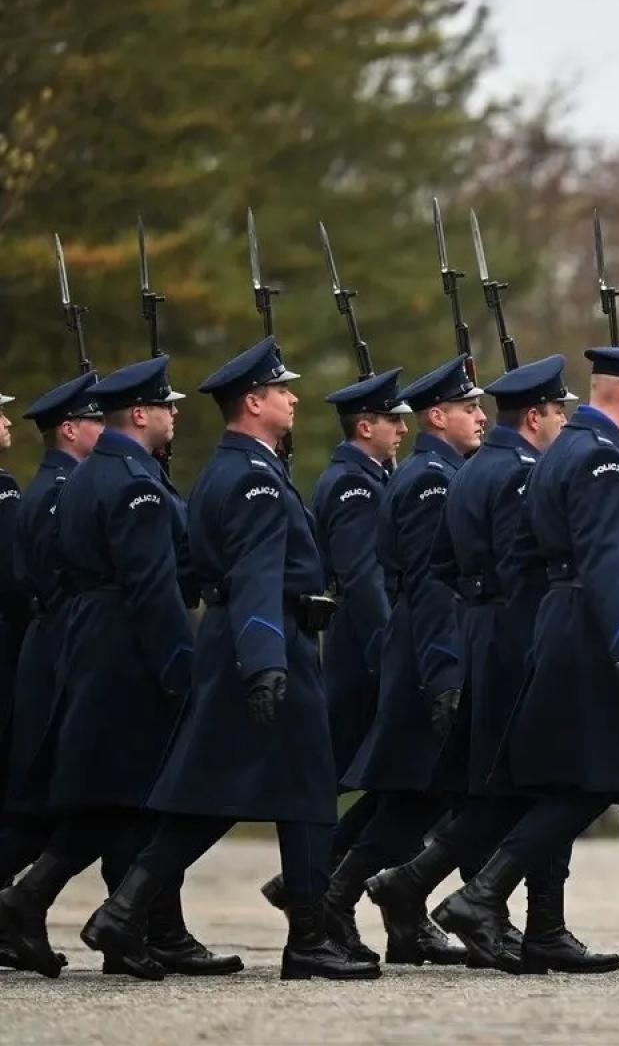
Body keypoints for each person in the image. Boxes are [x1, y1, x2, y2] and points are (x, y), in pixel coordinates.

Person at [433, 347, 619, 979]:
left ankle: (481, 895)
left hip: (565, 627)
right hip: (597, 636)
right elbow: (603, 564)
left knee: (581, 787)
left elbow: (536, 561)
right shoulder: (601, 458)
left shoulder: (561, 451)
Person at [80, 337, 375, 982]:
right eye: (281, 390)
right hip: (267, 642)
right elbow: (257, 574)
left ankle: (123, 913)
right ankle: (307, 940)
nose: (293, 398)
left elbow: (203, 569)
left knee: (218, 793)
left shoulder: (232, 468)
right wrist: (266, 661)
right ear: (253, 402)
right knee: (304, 794)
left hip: (242, 640)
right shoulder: (253, 478)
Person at [375, 355, 619, 976]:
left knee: (507, 785)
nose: (564, 422)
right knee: (554, 780)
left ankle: (422, 882)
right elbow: (523, 567)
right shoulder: (519, 472)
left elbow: (442, 564)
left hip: (482, 632)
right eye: (559, 412)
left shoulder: (471, 471)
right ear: (536, 416)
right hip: (520, 635)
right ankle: (538, 922)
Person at [0, 358, 240, 980]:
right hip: (127, 648)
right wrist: (179, 666)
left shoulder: (89, 475)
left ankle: (119, 925)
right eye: (165, 405)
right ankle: (41, 902)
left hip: (95, 638)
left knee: (118, 795)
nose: (174, 414)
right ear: (139, 414)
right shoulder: (135, 484)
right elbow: (152, 589)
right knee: (126, 794)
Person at [257, 367, 411, 961]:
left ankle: (319, 887)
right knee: (374, 779)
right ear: (364, 426)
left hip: (372, 640)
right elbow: (362, 575)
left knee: (398, 782)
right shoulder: (353, 484)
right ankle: (321, 893)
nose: (402, 429)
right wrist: (388, 649)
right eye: (391, 420)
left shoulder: (375, 475)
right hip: (363, 646)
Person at [340, 354, 485, 966]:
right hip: (430, 650)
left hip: (428, 647)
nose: (481, 417)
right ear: (438, 417)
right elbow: (431, 585)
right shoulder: (433, 481)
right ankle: (331, 899)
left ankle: (395, 915)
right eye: (469, 408)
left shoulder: (438, 472)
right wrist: (444, 673)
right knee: (420, 796)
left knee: (416, 797)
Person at [0, 377, 95, 972]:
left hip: (37, 643)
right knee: (39, 801)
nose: (6, 423)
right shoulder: (29, 490)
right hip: (41, 646)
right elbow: (20, 582)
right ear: (70, 428)